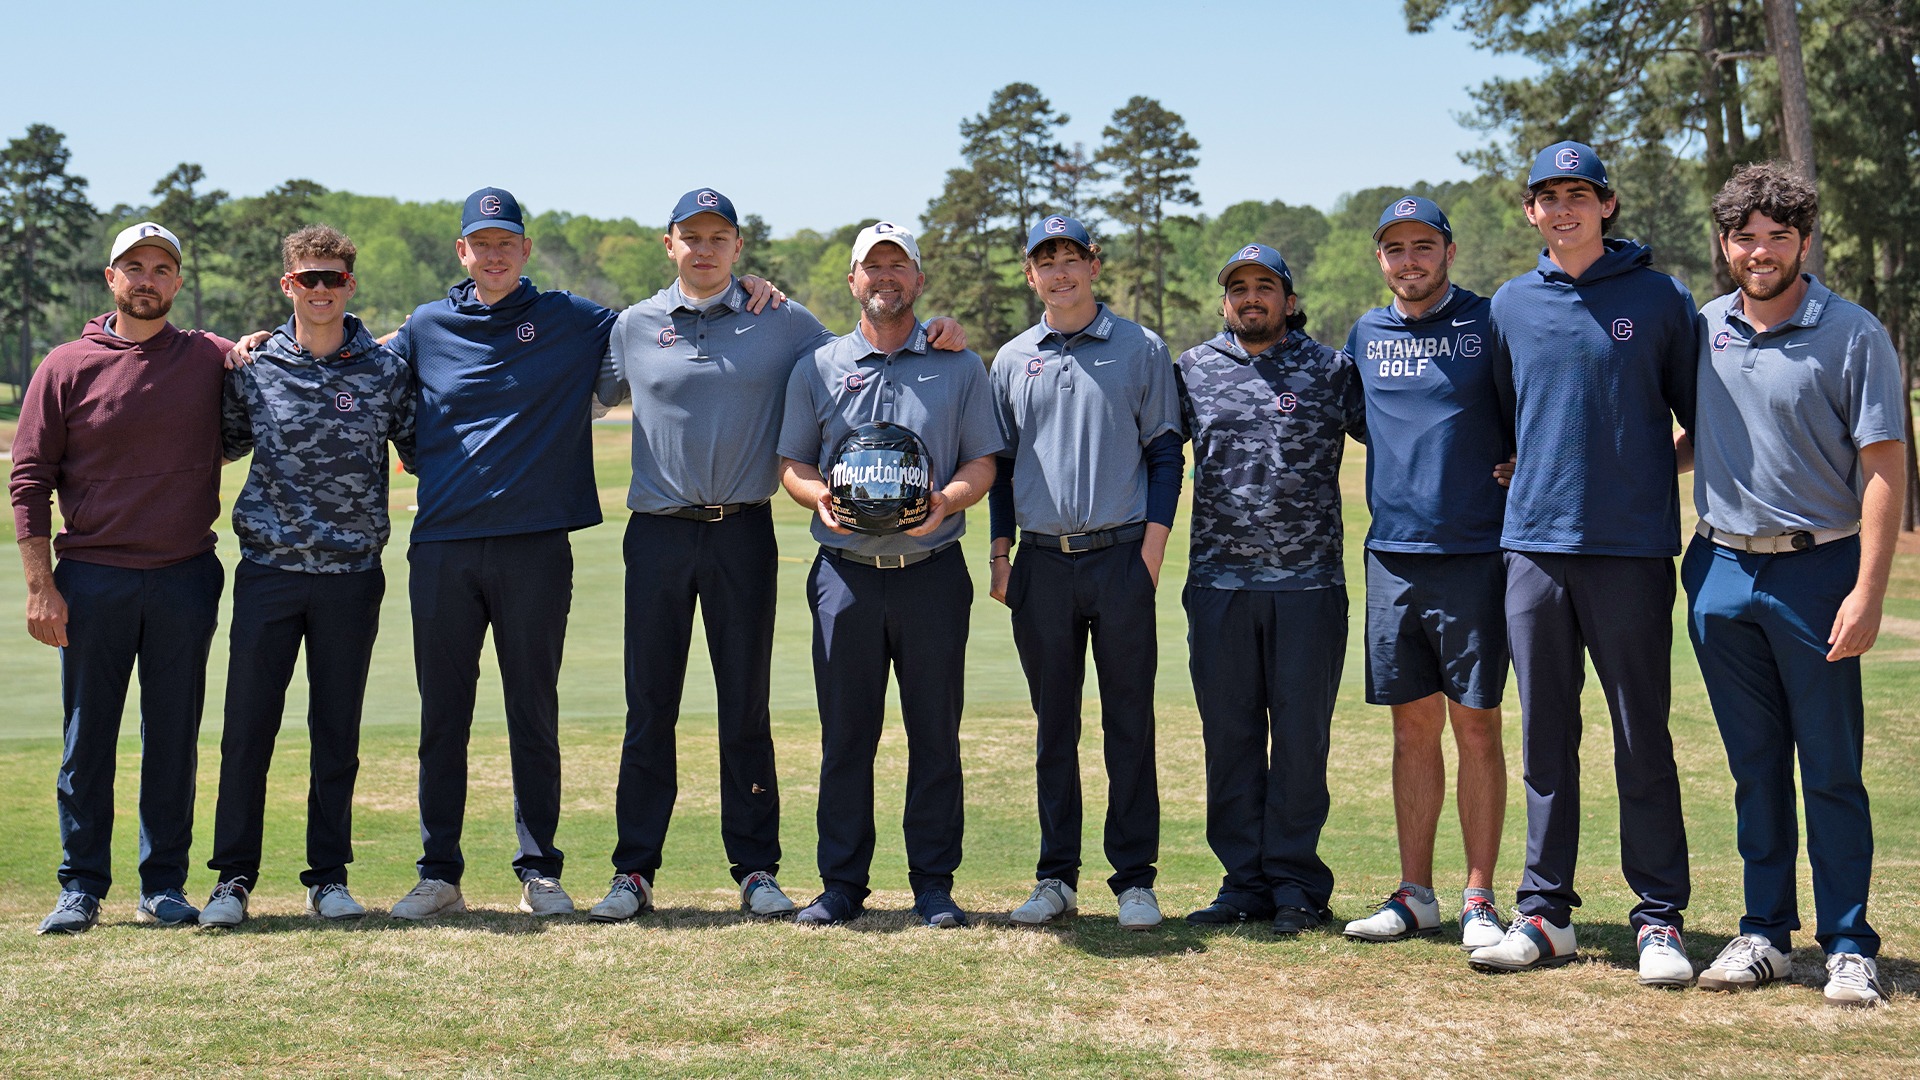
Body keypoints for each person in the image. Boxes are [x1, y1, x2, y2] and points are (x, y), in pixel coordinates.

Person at [589, 191, 963, 922]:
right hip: (658, 532)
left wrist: (938, 330)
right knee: (649, 706)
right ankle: (634, 870)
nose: (704, 249)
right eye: (690, 237)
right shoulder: (632, 325)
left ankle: (756, 868)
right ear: (669, 245)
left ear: (738, 246)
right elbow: (582, 398)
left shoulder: (782, 319)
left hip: (742, 531)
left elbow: (869, 344)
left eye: (718, 238)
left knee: (744, 706)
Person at [1467, 142, 1698, 987]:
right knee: (1547, 739)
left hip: (1631, 551)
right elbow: (1500, 421)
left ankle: (1659, 919)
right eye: (1547, 196)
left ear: (1607, 204)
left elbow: (1701, 419)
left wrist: (1639, 465)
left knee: (1641, 738)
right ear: (1530, 211)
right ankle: (1544, 914)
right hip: (1532, 550)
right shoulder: (1511, 306)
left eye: (1579, 194)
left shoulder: (1660, 298)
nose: (1563, 208)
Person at [1682, 164, 1901, 1007]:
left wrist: (1868, 591)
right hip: (1719, 571)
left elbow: (1885, 465)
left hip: (1819, 571)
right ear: (1727, 245)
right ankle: (1763, 933)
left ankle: (1848, 942)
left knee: (1832, 766)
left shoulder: (1853, 334)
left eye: (1779, 235)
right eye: (1746, 237)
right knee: (1755, 767)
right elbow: (1692, 437)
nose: (1761, 251)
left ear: (1805, 241)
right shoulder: (1704, 331)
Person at [776, 221, 1002, 928]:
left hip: (932, 569)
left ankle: (933, 885)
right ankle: (841, 884)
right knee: (847, 734)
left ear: (918, 279)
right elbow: (793, 464)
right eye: (872, 267)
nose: (885, 277)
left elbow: (982, 462)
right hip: (845, 575)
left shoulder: (959, 366)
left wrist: (947, 503)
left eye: (897, 265)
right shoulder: (816, 365)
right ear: (852, 281)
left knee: (935, 732)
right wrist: (819, 499)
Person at [13, 222, 231, 933]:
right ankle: (80, 886)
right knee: (88, 740)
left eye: (161, 267)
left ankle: (163, 883)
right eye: (133, 266)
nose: (147, 278)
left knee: (172, 736)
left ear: (176, 281)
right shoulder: (66, 364)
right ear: (111, 278)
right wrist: (41, 585)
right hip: (93, 579)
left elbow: (286, 356)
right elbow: (28, 479)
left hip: (184, 577)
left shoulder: (209, 357)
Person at [198, 226, 415, 927]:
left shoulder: (384, 369)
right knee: (247, 729)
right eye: (307, 279)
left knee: (336, 728)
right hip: (269, 572)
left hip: (351, 576)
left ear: (350, 286)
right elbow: (222, 444)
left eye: (332, 279)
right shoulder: (252, 366)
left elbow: (422, 448)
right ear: (287, 285)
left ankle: (328, 876)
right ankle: (232, 878)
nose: (320, 290)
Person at [985, 215, 1183, 931]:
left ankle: (1134, 879)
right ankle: (1055, 876)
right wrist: (1000, 554)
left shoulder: (1138, 347)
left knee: (1128, 722)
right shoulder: (1011, 359)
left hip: (1122, 556)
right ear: (1030, 273)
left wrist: (1152, 552)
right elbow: (1000, 469)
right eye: (1047, 261)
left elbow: (1165, 453)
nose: (1060, 272)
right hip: (1040, 563)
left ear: (1094, 266)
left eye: (1072, 258)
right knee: (1054, 728)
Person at [1176, 244, 1364, 935]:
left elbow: (1405, 434)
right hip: (1219, 583)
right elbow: (1152, 451)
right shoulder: (1193, 370)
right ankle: (1242, 883)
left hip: (1309, 585)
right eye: (1239, 289)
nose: (1251, 298)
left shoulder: (1331, 371)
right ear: (1224, 300)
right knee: (1228, 739)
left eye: (1265, 287)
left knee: (1299, 740)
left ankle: (1296, 885)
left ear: (1289, 298)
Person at [1339, 197, 1510, 950]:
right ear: (1380, 259)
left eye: (1423, 246)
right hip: (1392, 557)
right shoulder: (1366, 335)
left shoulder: (1490, 323)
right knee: (1412, 730)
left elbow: (1533, 409)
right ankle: (1416, 894)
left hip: (1474, 554)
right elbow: (1356, 419)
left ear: (1448, 250)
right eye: (1395, 249)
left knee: (1476, 726)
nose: (1410, 260)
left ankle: (1478, 896)